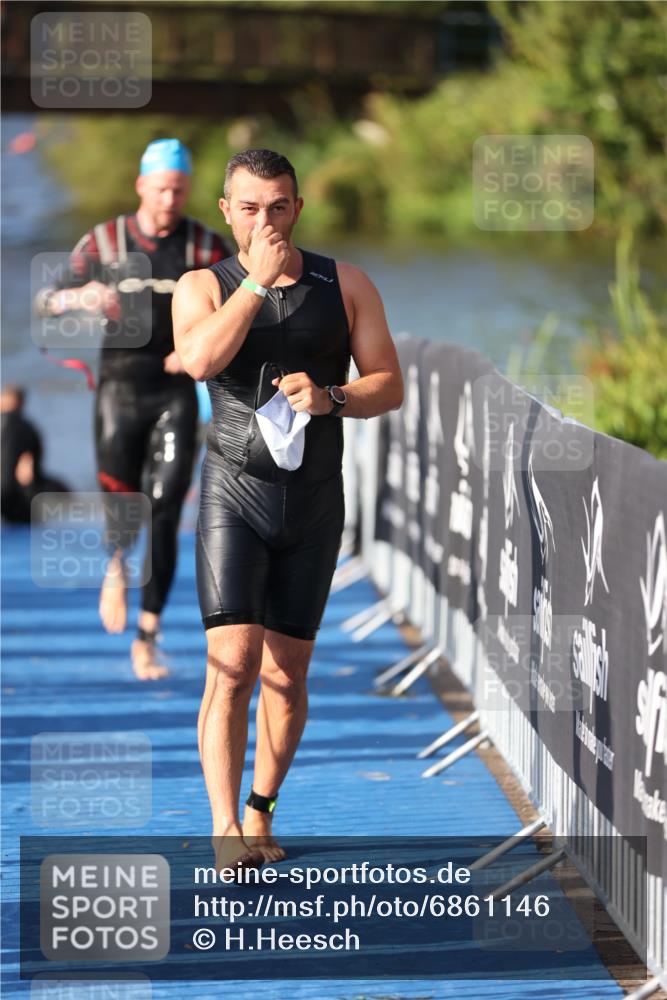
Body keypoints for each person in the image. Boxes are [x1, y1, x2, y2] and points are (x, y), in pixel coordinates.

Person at [172, 148, 403, 873]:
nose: (264, 220)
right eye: (249, 207)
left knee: (287, 672)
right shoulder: (201, 284)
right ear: (226, 211)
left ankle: (260, 808)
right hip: (232, 493)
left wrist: (334, 397)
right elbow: (201, 361)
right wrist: (258, 285)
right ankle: (221, 824)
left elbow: (389, 384)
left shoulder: (346, 283)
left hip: (312, 499)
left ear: (297, 207)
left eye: (278, 206)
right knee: (232, 663)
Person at [35, 139, 231, 680]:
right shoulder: (106, 241)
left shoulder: (204, 246)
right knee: (124, 502)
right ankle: (117, 564)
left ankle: (148, 634)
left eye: (179, 189)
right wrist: (80, 297)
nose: (169, 198)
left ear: (188, 190)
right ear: (141, 186)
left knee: (166, 510)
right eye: (161, 187)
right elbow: (45, 301)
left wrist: (197, 347)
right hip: (119, 389)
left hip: (174, 390)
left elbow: (243, 307)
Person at [1, 384, 70, 523]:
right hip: (15, 494)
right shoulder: (27, 428)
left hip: (6, 492)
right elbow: (27, 472)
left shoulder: (17, 426)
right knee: (63, 490)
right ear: (21, 403)